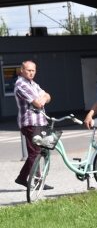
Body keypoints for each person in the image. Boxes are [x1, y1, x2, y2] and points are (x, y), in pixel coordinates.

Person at [13, 60, 53, 189]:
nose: (31, 73)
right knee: (35, 152)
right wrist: (42, 99)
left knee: (38, 151)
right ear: (22, 70)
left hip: (40, 121)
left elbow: (48, 96)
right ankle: (36, 181)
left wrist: (43, 98)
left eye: (33, 70)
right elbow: (38, 103)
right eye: (28, 70)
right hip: (30, 123)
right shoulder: (21, 84)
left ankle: (23, 178)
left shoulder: (33, 84)